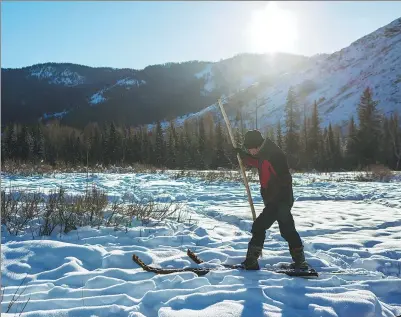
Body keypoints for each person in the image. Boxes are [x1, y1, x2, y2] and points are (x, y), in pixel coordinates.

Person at [234, 129, 309, 270]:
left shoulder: (274, 155)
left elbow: (285, 178)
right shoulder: (265, 153)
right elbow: (259, 162)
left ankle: (251, 262)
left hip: (279, 201)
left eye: (249, 148)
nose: (250, 151)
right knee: (288, 231)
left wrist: (276, 198)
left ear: (256, 145)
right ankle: (300, 263)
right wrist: (243, 156)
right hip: (279, 201)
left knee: (258, 227)